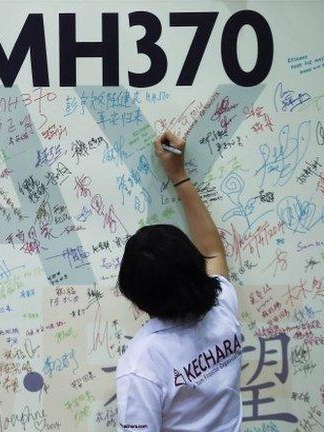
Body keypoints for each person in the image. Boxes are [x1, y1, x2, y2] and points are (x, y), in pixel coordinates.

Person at [115, 131, 243, 431]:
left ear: (134, 295)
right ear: (194, 266)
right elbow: (212, 248)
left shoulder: (143, 364)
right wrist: (179, 174)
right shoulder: (221, 305)